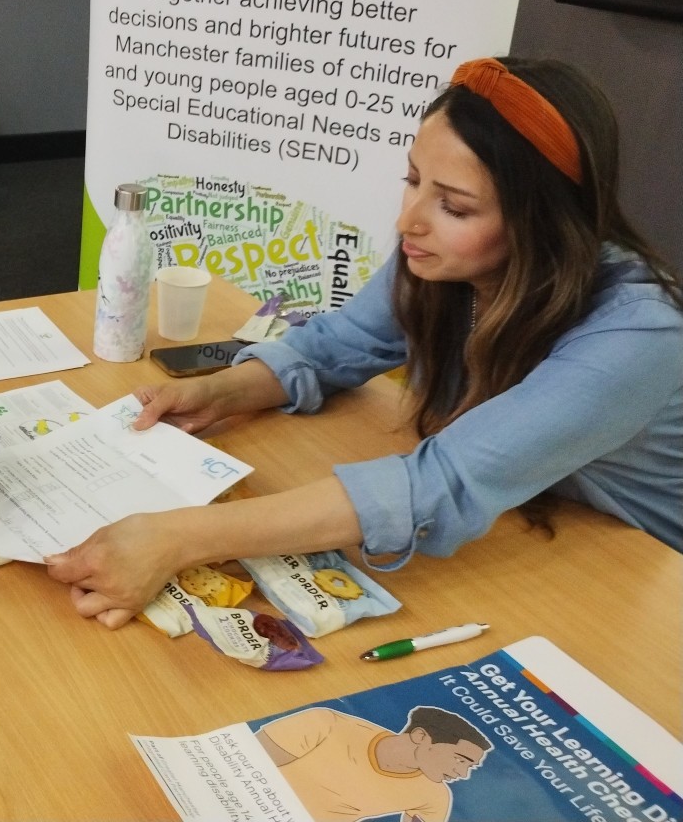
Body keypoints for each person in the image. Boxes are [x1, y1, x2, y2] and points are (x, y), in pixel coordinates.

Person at [46, 56, 683, 628]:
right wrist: (221, 391)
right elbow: (333, 345)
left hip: (633, 577)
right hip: (526, 521)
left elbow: (440, 485)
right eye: (413, 182)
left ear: (543, 221)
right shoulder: (442, 262)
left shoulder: (638, 332)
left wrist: (176, 538)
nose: (410, 220)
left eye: (455, 208)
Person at [256, 705, 490, 822]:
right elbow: (245, 761)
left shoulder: (434, 796)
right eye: (460, 760)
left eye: (469, 766)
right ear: (421, 736)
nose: (462, 773)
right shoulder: (325, 724)